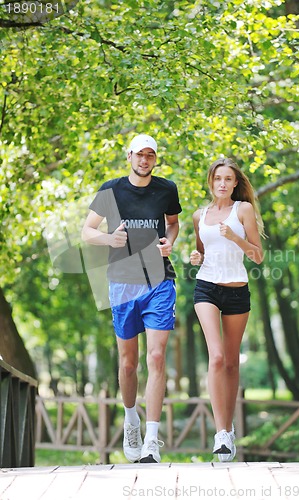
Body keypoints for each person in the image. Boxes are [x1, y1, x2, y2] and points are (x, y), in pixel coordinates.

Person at [82, 134, 182, 463]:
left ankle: (152, 440)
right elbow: (87, 232)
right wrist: (110, 239)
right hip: (122, 283)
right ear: (129, 156)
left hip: (159, 280)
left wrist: (169, 242)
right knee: (128, 363)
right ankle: (131, 420)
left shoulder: (167, 189)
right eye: (140, 155)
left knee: (156, 358)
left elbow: (173, 224)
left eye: (150, 155)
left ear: (155, 159)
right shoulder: (111, 190)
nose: (145, 160)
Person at [190, 157, 264, 462]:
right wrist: (195, 256)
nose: (222, 183)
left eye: (228, 179)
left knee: (232, 363)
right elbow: (202, 250)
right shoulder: (199, 215)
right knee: (217, 357)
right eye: (217, 178)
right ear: (211, 181)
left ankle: (229, 427)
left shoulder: (242, 210)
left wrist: (236, 237)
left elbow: (258, 256)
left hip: (236, 291)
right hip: (206, 287)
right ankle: (221, 434)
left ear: (236, 183)